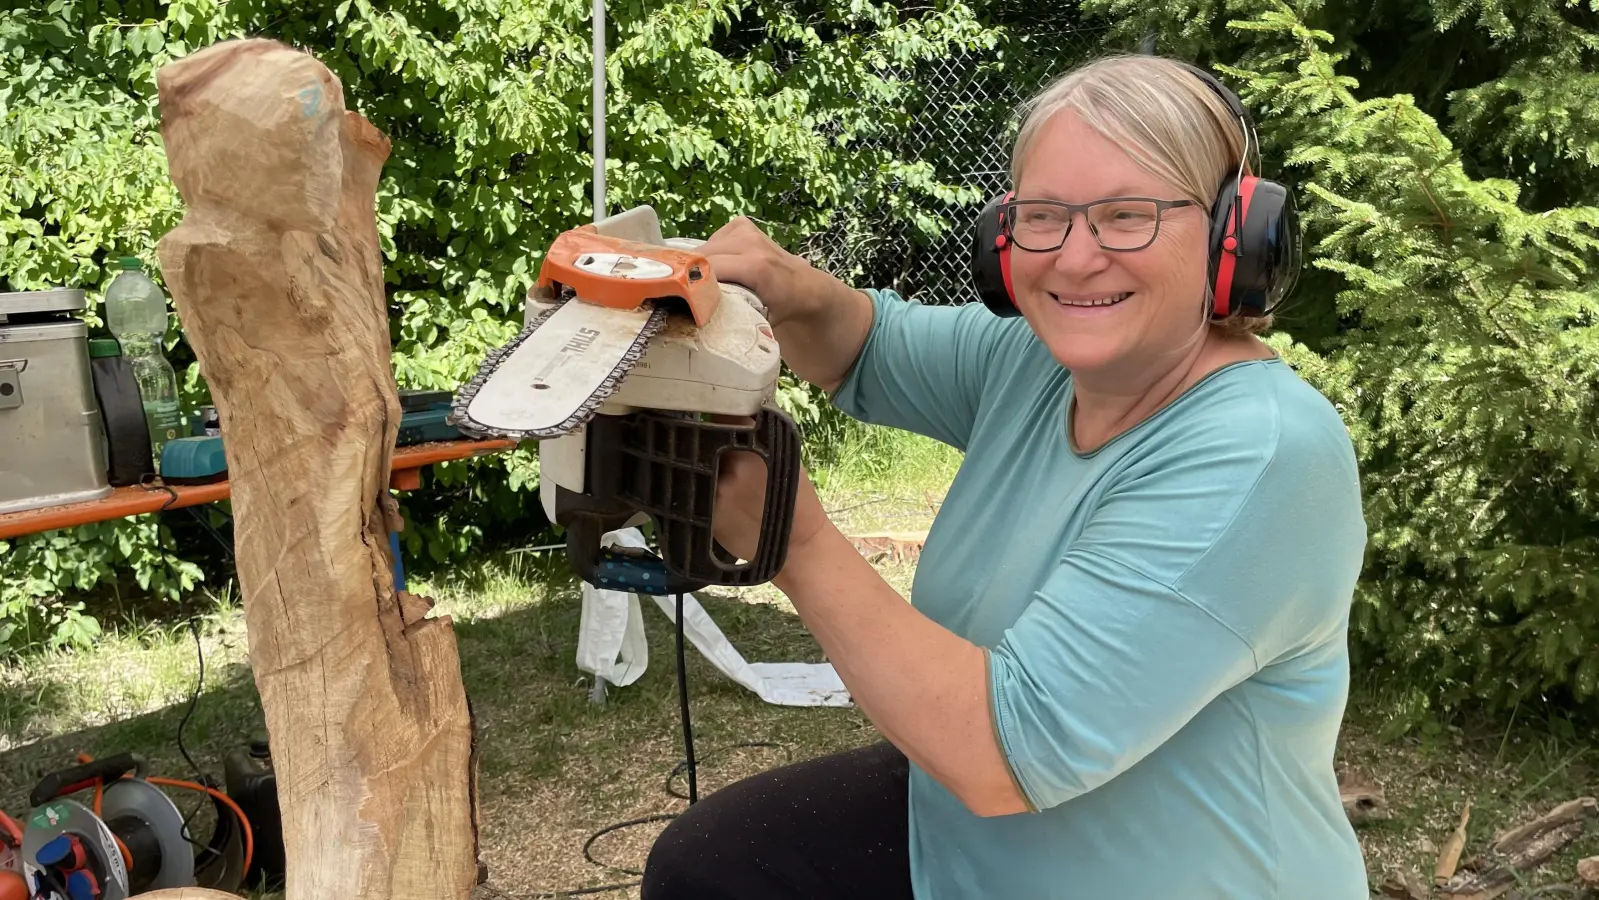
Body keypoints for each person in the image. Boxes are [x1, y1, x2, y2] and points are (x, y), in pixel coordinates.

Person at [641, 52, 1370, 899]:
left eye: (1126, 215)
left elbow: (1002, 756)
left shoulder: (1259, 452)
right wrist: (785, 284)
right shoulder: (1035, 364)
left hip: (1153, 870)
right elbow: (864, 346)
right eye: (1042, 216)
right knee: (710, 868)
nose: (1073, 257)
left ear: (1230, 238)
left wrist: (791, 538)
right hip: (974, 849)